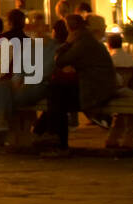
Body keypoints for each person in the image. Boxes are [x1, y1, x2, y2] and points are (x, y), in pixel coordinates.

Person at [45, 14, 118, 155]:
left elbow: (60, 60)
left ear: (71, 29)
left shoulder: (83, 42)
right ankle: (50, 137)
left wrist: (67, 43)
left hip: (96, 90)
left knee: (56, 95)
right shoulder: (86, 40)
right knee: (56, 94)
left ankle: (58, 142)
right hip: (96, 85)